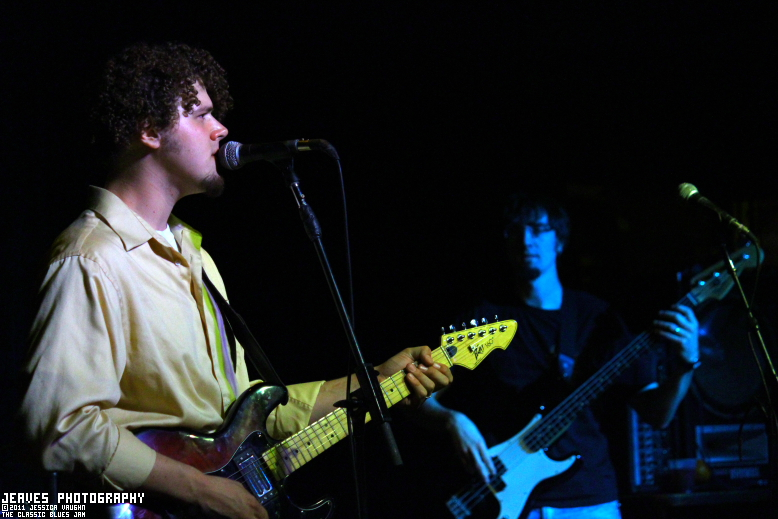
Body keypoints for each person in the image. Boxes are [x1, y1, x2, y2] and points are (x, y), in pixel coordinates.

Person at [19, 42, 451, 519]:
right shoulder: (92, 258)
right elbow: (61, 430)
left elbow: (250, 418)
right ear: (149, 130)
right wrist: (200, 491)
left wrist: (377, 382)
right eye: (200, 114)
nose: (220, 129)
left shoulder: (196, 258)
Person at [421, 193, 699, 519]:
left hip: (590, 501)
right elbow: (418, 395)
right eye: (516, 230)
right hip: (504, 500)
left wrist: (685, 365)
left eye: (538, 229)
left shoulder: (597, 319)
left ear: (560, 241)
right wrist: (452, 420)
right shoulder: (483, 321)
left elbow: (657, 414)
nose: (526, 240)